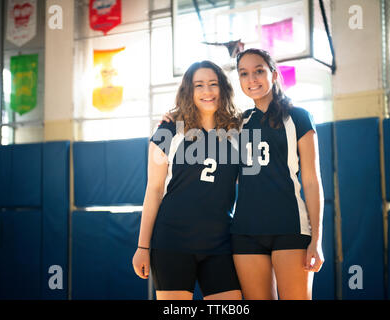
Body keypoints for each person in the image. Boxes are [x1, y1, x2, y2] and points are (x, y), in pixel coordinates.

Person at [132, 60, 242, 300]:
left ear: (223, 88)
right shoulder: (167, 130)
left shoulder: (239, 131)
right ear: (188, 91)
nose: (207, 91)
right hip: (173, 241)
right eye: (199, 85)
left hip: (221, 242)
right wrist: (142, 247)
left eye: (213, 84)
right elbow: (154, 190)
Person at [231, 48, 324, 300]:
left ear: (273, 74)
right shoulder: (236, 125)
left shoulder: (299, 117)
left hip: (290, 227)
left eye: (259, 71)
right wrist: (172, 118)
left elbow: (312, 182)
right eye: (244, 73)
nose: (252, 79)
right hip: (246, 232)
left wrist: (317, 239)